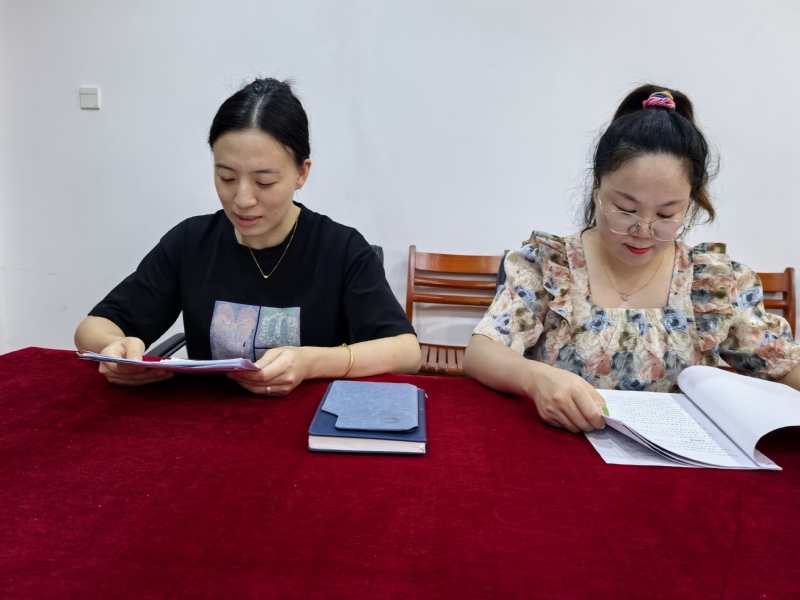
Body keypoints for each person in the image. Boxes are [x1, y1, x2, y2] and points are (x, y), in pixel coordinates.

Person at [463, 85, 800, 433]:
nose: (643, 231)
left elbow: (783, 363)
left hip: (680, 462)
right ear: (596, 187)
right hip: (563, 452)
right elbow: (482, 352)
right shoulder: (551, 265)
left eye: (667, 214)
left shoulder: (713, 282)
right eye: (626, 209)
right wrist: (535, 378)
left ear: (690, 201)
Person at [75, 78, 421, 395]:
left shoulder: (341, 249)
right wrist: (114, 348)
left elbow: (406, 351)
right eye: (226, 178)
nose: (242, 199)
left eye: (264, 182)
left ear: (301, 173)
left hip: (307, 423)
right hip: (209, 421)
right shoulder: (190, 243)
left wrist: (312, 362)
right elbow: (93, 326)